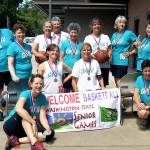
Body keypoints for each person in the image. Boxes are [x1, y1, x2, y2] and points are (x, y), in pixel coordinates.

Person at [3, 74, 55, 150]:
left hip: (26, 128)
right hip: (12, 124)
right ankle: (34, 144)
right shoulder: (26, 94)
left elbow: (43, 118)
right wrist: (33, 123)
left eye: (41, 83)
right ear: (31, 84)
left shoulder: (43, 98)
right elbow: (19, 109)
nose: (39, 85)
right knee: (24, 114)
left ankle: (15, 140)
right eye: (36, 83)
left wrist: (47, 129)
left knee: (50, 133)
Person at [84, 17, 112, 87]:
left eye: (98, 24)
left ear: (101, 26)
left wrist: (107, 56)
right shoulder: (88, 38)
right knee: (93, 85)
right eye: (94, 24)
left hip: (104, 65)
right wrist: (94, 56)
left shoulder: (106, 37)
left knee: (103, 85)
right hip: (92, 65)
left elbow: (109, 49)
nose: (96, 26)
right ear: (91, 26)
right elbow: (85, 51)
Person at [111, 15, 137, 87]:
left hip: (122, 60)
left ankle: (121, 95)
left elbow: (138, 44)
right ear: (116, 24)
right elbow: (111, 47)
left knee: (120, 81)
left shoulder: (128, 33)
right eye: (120, 22)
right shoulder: (114, 35)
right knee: (116, 80)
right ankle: (120, 95)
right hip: (114, 61)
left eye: (124, 23)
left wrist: (131, 52)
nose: (122, 24)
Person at [60, 22, 82, 92]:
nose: (73, 34)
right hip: (66, 71)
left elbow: (83, 58)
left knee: (75, 90)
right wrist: (66, 68)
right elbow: (61, 57)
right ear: (69, 33)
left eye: (75, 32)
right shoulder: (65, 43)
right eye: (72, 32)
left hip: (77, 71)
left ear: (78, 33)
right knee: (66, 90)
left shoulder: (81, 44)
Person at [0, 28, 14, 121]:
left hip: (10, 67)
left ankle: (13, 111)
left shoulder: (7, 32)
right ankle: (0, 111)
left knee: (13, 90)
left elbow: (16, 44)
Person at [134, 60, 150, 129]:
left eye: (149, 71)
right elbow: (136, 93)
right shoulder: (139, 79)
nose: (147, 73)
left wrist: (149, 106)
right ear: (142, 71)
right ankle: (147, 119)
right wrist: (138, 104)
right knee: (142, 113)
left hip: (148, 105)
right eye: (145, 71)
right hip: (145, 104)